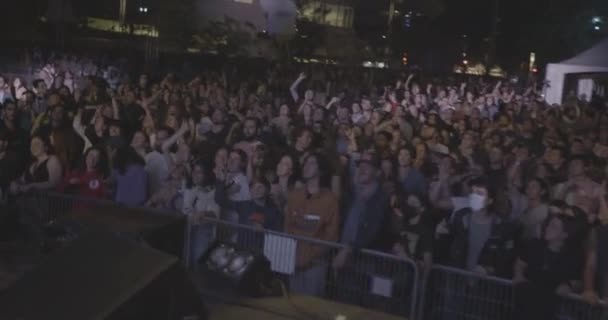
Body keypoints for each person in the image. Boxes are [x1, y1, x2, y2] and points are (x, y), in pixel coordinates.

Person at [284, 153, 339, 296]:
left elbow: (331, 236)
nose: (306, 166)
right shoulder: (294, 196)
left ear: (320, 170)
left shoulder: (330, 200)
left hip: (316, 264)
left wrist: (309, 256)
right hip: (293, 261)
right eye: (305, 163)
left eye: (312, 163)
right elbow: (288, 226)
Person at [182, 161, 220, 268]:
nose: (195, 174)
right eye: (194, 171)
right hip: (186, 228)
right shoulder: (188, 187)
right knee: (184, 260)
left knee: (197, 261)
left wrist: (202, 213)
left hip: (202, 230)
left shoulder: (213, 191)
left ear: (206, 174)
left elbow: (215, 214)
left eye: (199, 172)